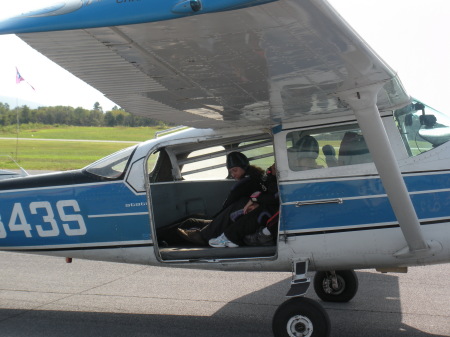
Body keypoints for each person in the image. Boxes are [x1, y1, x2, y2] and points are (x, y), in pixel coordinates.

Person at [176, 151, 264, 245]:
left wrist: (215, 221)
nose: (233, 174)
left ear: (244, 167)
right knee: (190, 221)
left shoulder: (246, 184)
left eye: (235, 170)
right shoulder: (250, 180)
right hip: (223, 218)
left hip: (226, 220)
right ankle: (160, 236)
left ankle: (161, 237)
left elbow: (229, 208)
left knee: (190, 222)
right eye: (230, 172)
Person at [208, 163, 279, 248]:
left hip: (276, 209)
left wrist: (254, 199)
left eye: (235, 170)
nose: (274, 166)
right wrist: (255, 201)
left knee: (260, 212)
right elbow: (267, 193)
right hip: (272, 206)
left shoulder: (250, 181)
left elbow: (275, 197)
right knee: (253, 210)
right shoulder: (269, 178)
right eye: (274, 165)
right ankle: (230, 237)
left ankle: (229, 237)